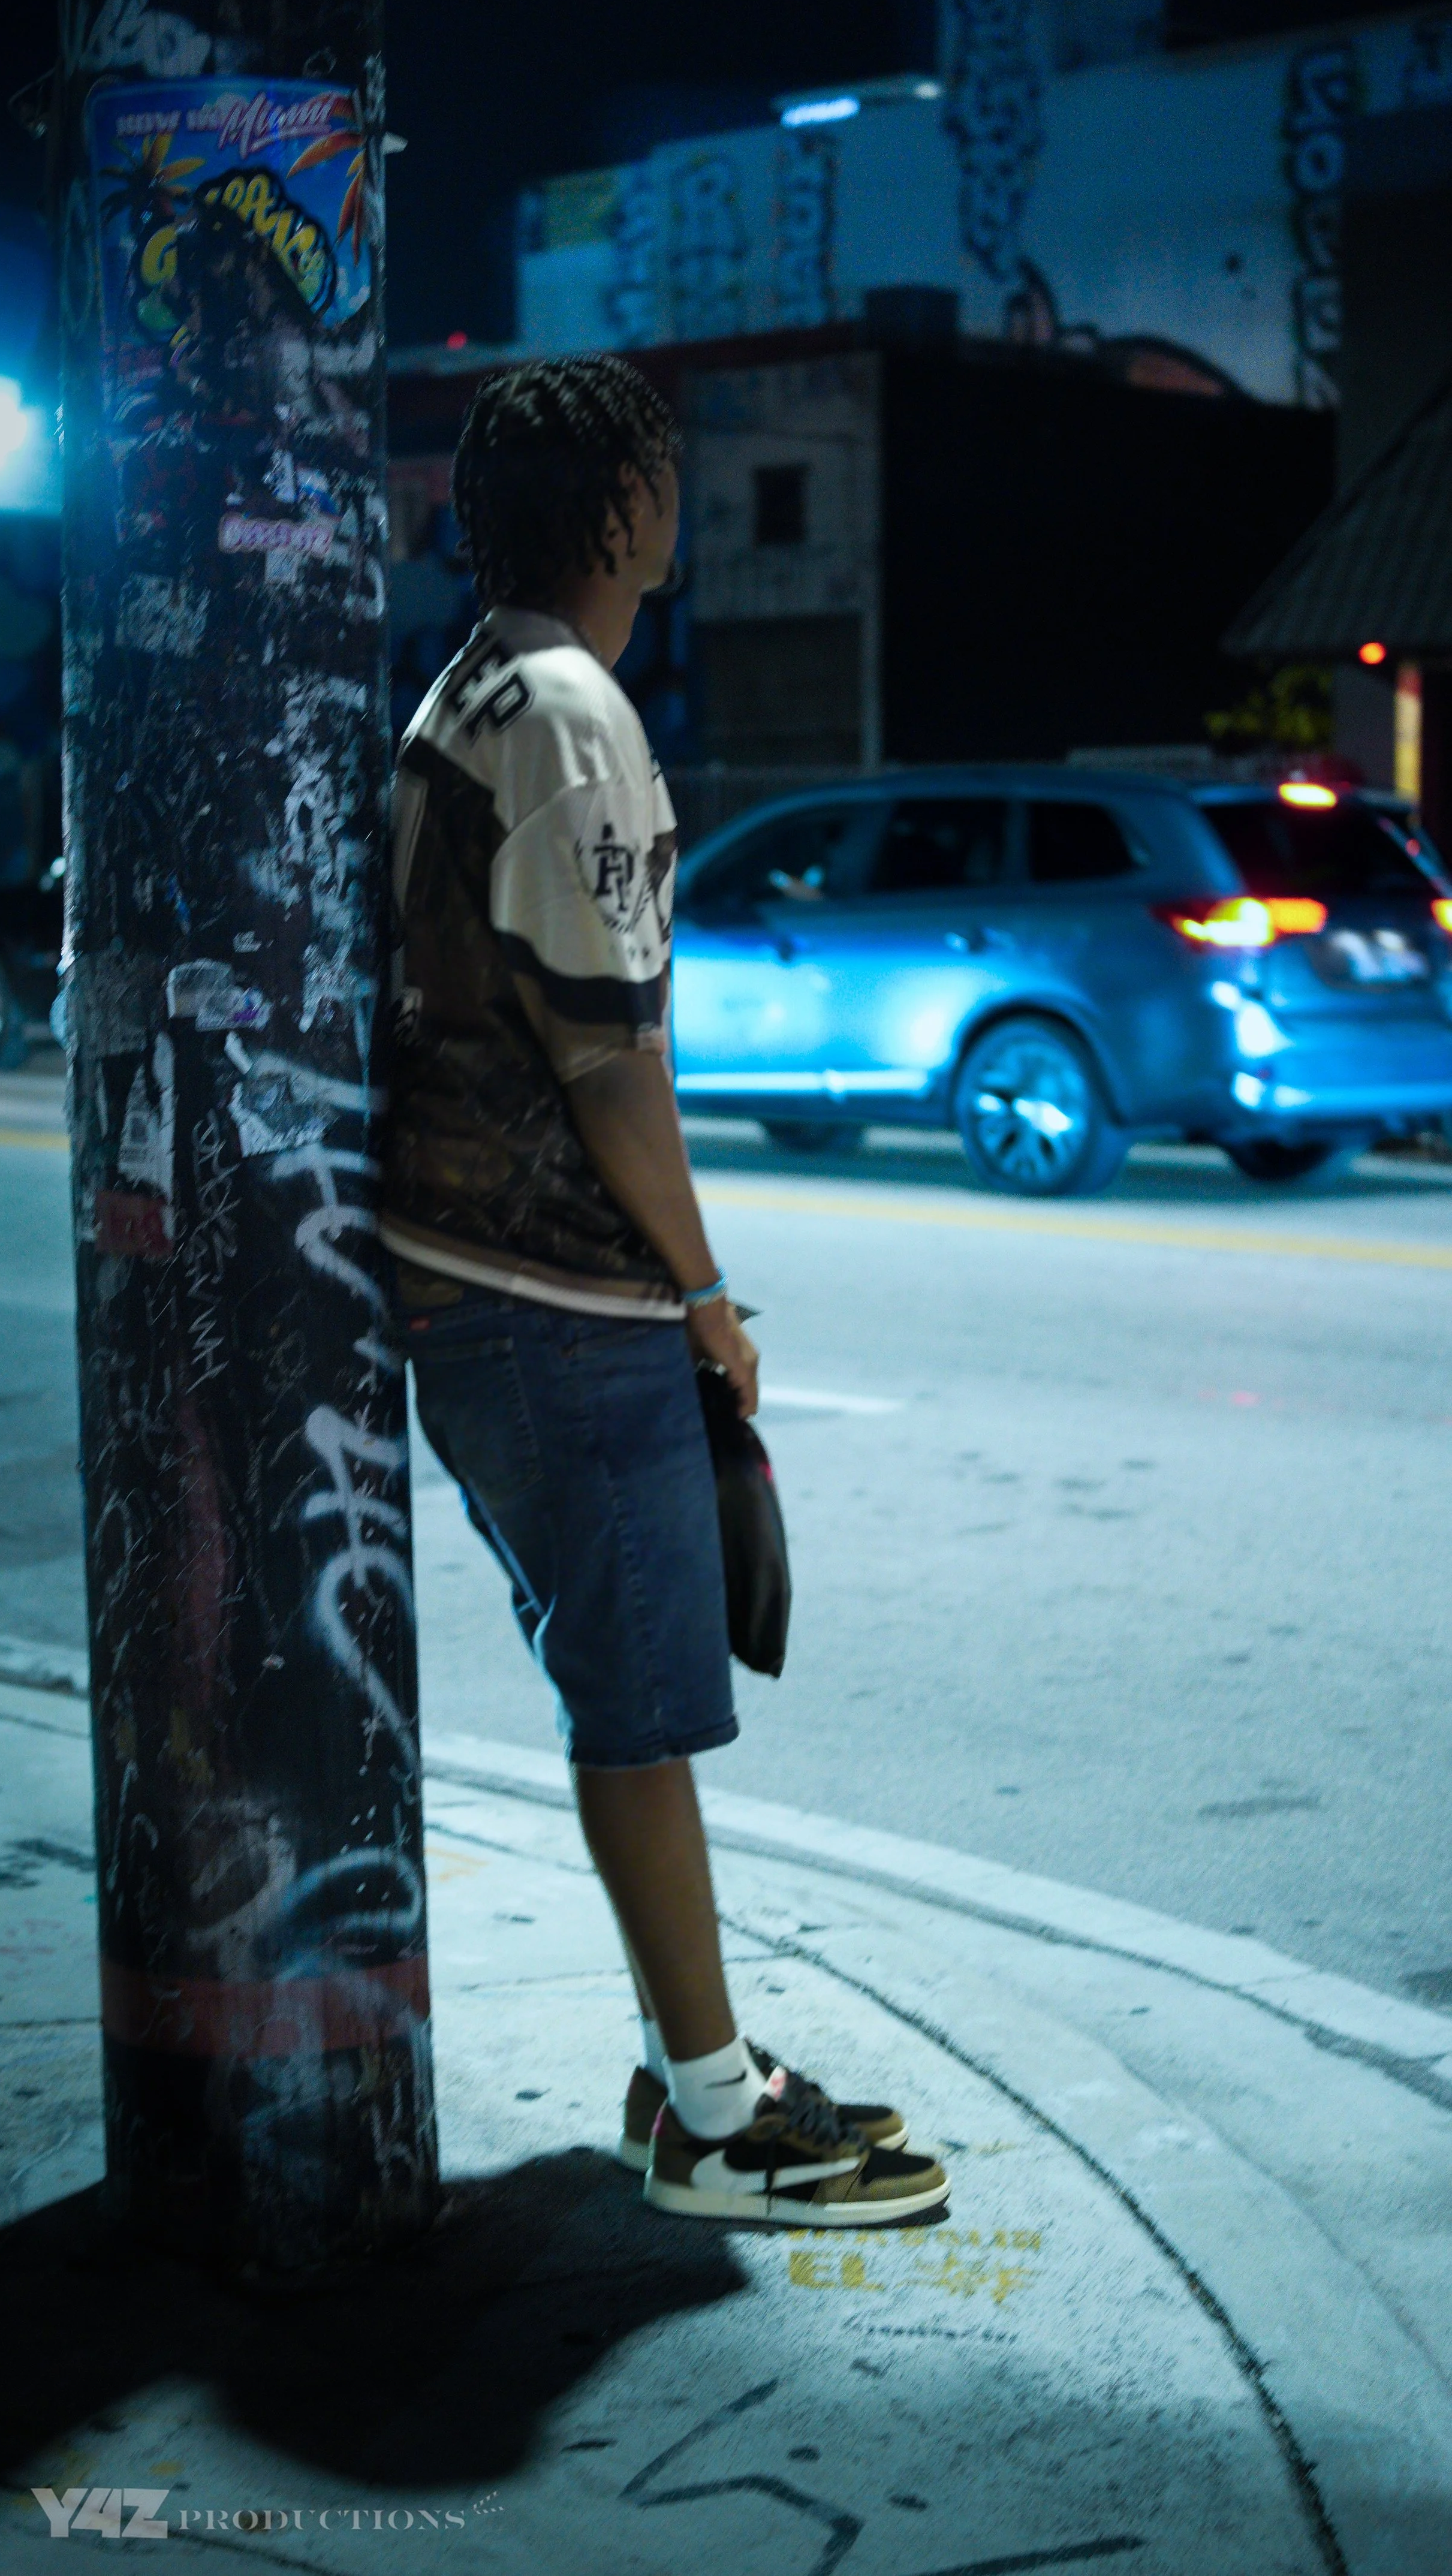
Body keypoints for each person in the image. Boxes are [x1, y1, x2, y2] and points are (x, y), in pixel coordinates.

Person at [382, 354, 947, 2226]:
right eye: (666, 470)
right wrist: (709, 1294)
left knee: (634, 1697)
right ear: (620, 507)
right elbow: (610, 1057)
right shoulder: (564, 705)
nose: (680, 498)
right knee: (637, 1710)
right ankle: (711, 2124)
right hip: (551, 1295)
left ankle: (689, 2069)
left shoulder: (471, 688)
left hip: (491, 1291)